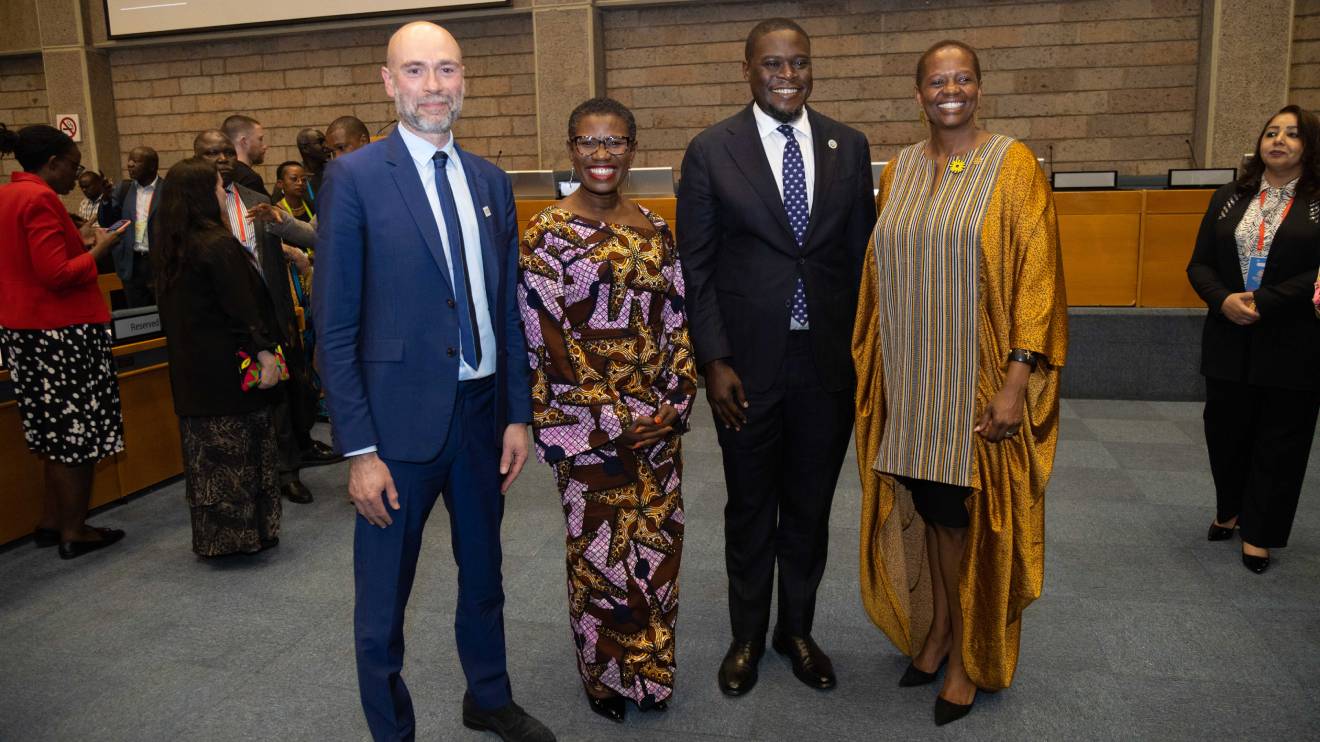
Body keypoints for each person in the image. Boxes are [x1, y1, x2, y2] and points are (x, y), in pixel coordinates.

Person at [313, 22, 554, 742]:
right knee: (383, 601)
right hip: (394, 428)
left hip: (482, 416)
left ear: (464, 80)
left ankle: (488, 695)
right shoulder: (354, 178)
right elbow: (334, 326)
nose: (433, 87)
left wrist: (517, 414)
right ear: (389, 83)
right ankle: (392, 731)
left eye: (446, 70)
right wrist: (358, 450)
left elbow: (506, 305)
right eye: (415, 71)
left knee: (484, 574)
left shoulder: (488, 180)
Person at [853, 40, 1067, 726]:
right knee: (928, 506)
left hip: (973, 383)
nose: (952, 90)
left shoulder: (1013, 164)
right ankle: (941, 630)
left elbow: (1037, 277)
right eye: (938, 81)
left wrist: (1015, 381)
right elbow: (881, 270)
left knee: (958, 521)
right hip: (911, 382)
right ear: (919, 94)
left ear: (979, 87)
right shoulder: (902, 169)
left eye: (963, 78)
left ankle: (966, 656)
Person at [676, 18, 876, 697]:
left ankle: (797, 630)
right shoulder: (711, 151)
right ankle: (745, 636)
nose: (787, 75)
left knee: (811, 505)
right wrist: (713, 360)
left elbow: (860, 262)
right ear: (748, 69)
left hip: (827, 363)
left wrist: (864, 353)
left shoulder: (849, 146)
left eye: (798, 63)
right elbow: (696, 268)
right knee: (751, 506)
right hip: (746, 369)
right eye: (772, 64)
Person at [518, 97, 697, 723]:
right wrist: (619, 419)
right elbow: (547, 343)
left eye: (615, 142)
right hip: (588, 430)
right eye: (589, 142)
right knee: (601, 558)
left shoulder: (654, 225)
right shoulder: (547, 234)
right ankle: (603, 675)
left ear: (632, 147)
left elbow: (676, 321)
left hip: (658, 428)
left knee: (657, 550)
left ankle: (650, 672)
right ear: (570, 148)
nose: (602, 155)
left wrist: (673, 404)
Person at [1187, 104, 1320, 575]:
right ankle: (1231, 508)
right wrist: (1222, 299)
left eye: (1292, 134)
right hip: (1229, 336)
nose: (1278, 140)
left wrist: (1268, 300)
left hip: (1294, 340)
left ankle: (1261, 533)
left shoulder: (1318, 201)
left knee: (1280, 439)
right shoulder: (1229, 196)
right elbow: (1199, 263)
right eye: (1271, 132)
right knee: (1225, 432)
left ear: (1309, 146)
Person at [0, 123, 129, 559]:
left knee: (52, 434)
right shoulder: (38, 198)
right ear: (51, 163)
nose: (77, 175)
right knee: (77, 435)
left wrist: (79, 238)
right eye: (72, 166)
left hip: (26, 333)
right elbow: (56, 275)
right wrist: (100, 247)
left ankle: (52, 521)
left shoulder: (9, 194)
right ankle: (75, 530)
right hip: (61, 333)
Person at [153, 157, 286, 557]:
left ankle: (217, 538)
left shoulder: (170, 247)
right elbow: (242, 309)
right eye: (215, 187)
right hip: (230, 373)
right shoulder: (217, 244)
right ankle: (246, 535)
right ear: (200, 195)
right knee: (240, 454)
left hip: (194, 375)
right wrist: (265, 354)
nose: (220, 193)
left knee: (207, 460)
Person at [193, 130, 333, 499]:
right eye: (211, 152)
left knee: (280, 393)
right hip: (217, 321)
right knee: (232, 402)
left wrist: (285, 314)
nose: (222, 158)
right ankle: (244, 478)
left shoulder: (257, 201)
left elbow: (276, 260)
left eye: (226, 151)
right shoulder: (188, 208)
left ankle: (287, 471)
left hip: (266, 311)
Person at [112, 145, 161, 307]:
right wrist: (106, 200)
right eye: (129, 160)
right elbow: (108, 221)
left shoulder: (168, 189)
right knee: (137, 318)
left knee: (164, 315)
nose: (130, 164)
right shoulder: (124, 189)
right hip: (132, 264)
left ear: (152, 166)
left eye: (136, 161)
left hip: (158, 264)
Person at [222, 114, 270, 197]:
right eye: (260, 139)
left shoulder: (220, 174)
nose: (265, 146)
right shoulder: (249, 179)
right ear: (244, 141)